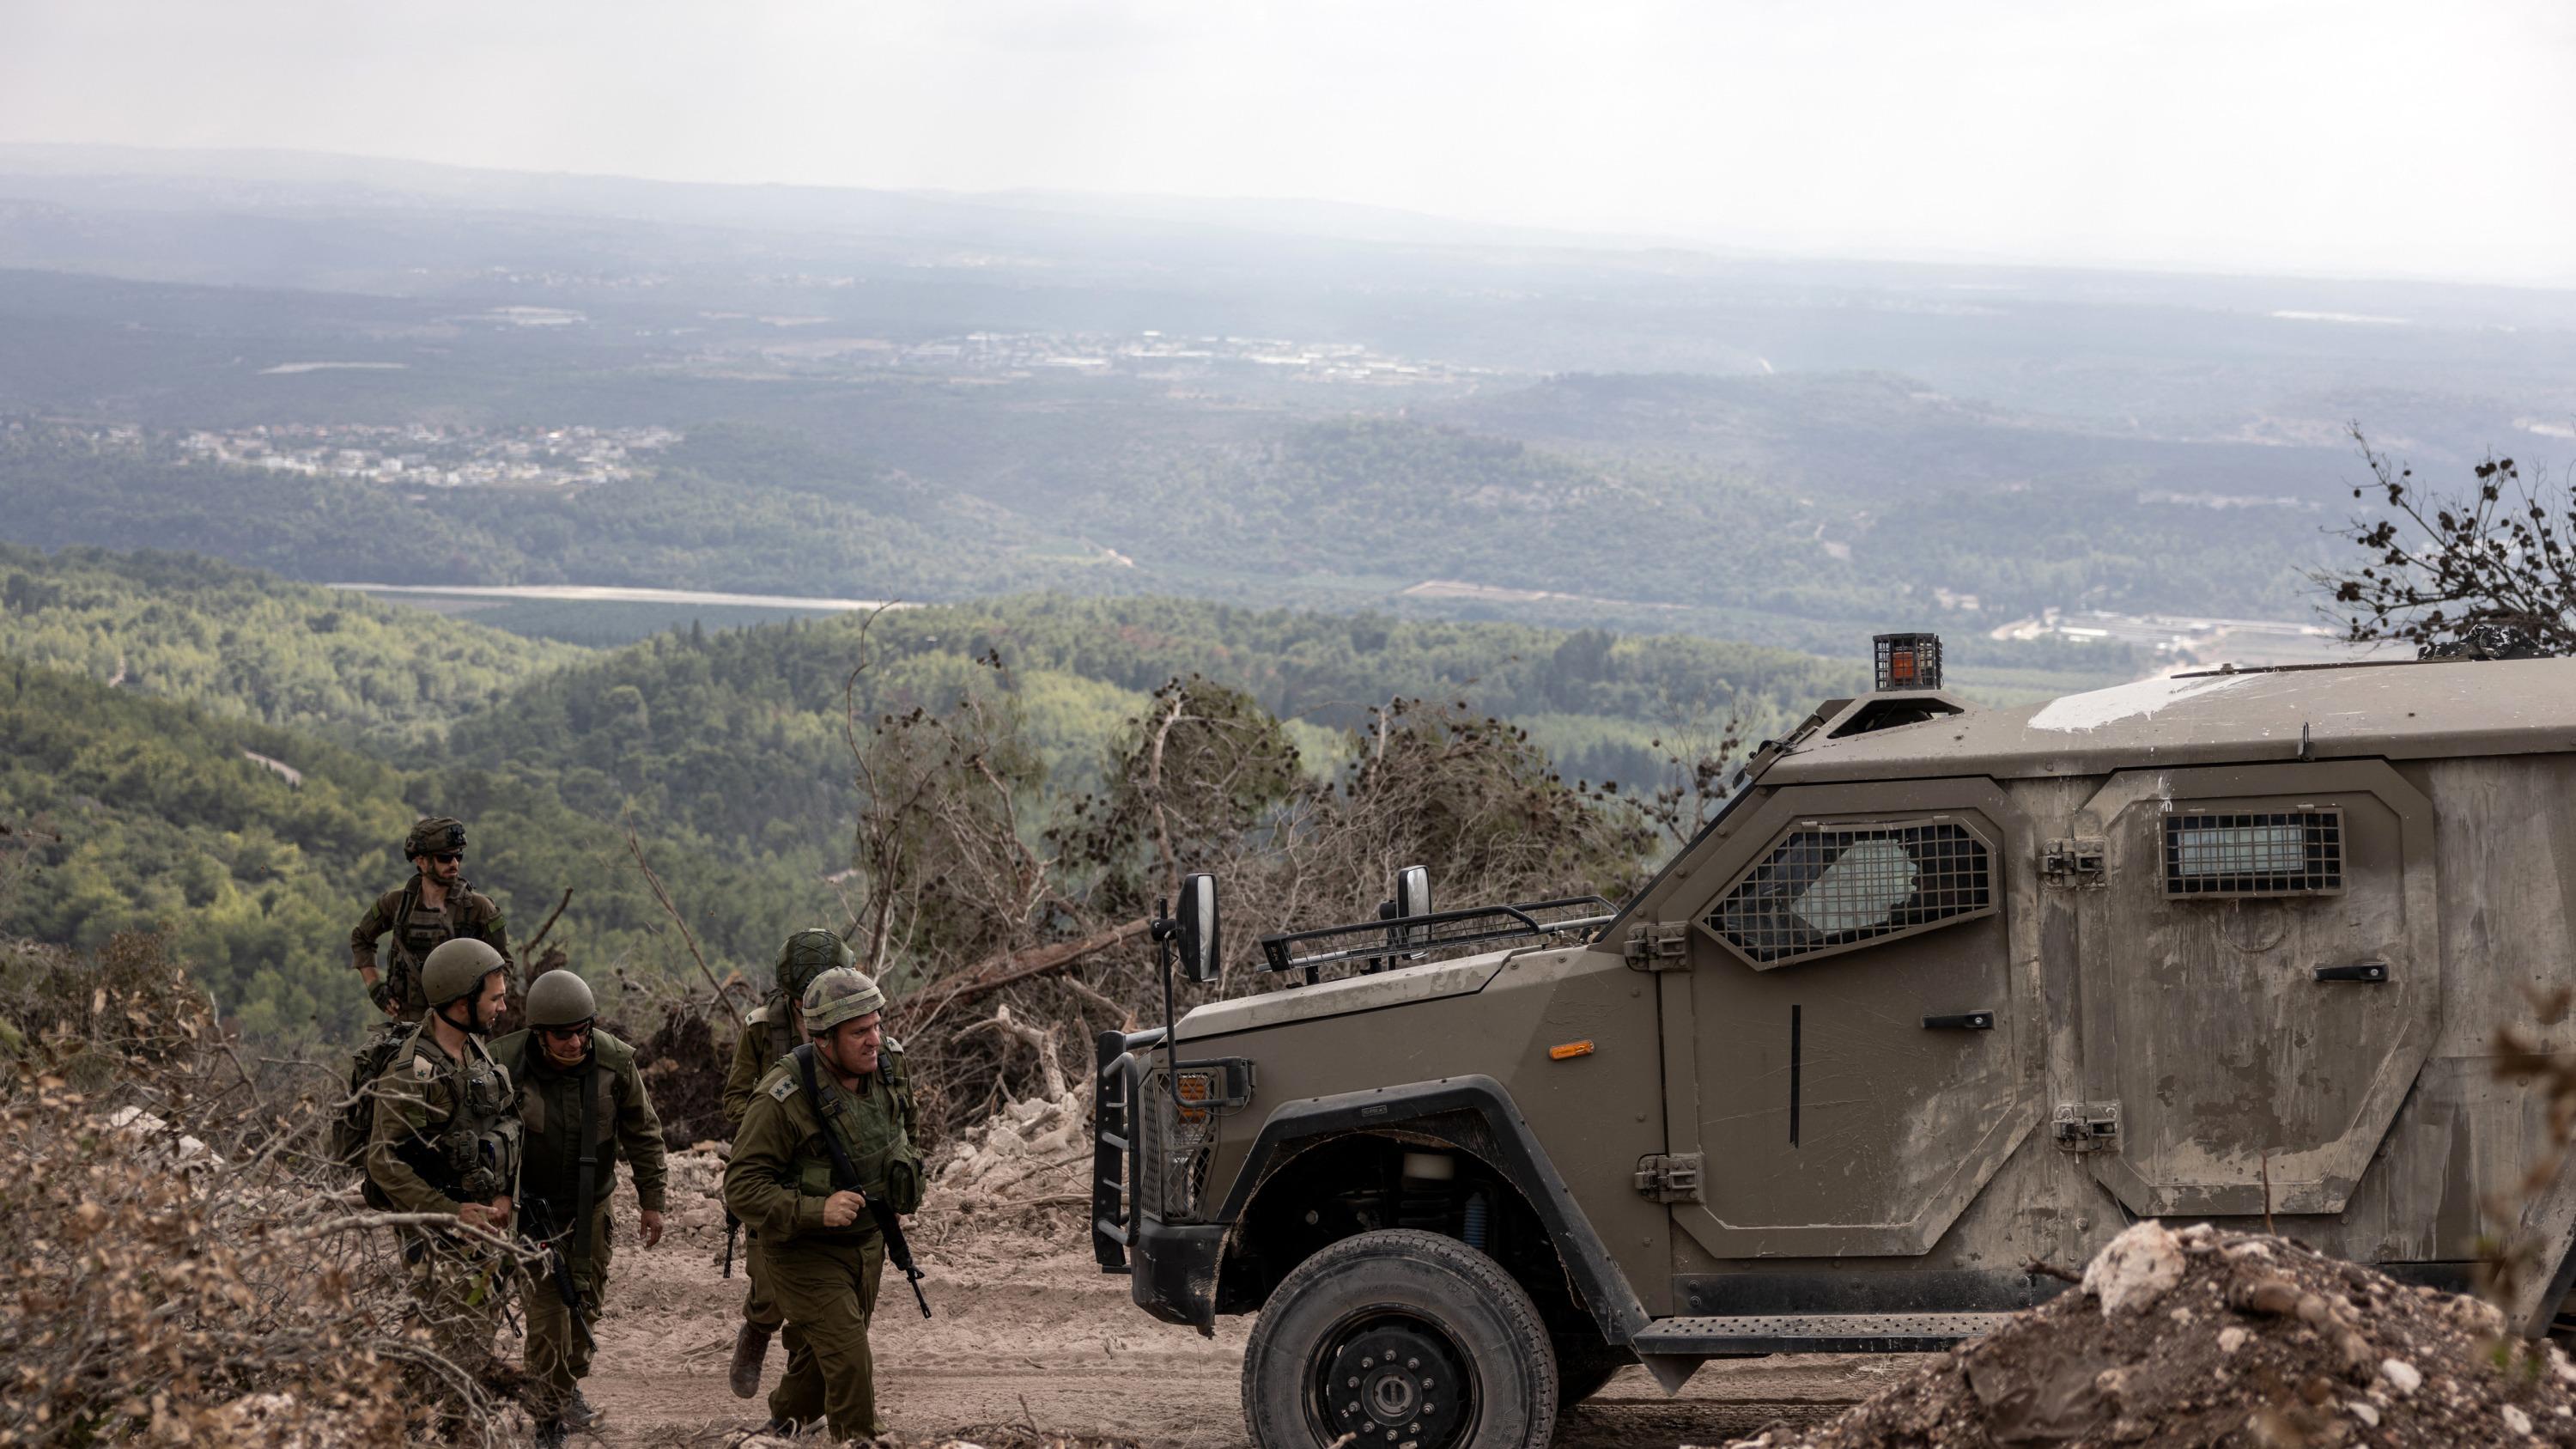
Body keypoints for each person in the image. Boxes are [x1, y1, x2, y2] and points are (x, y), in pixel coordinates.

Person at [722, 966, 927, 1441]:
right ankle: (860, 1439)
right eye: (859, 1032)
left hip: (869, 1242)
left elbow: (908, 1130)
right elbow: (743, 1186)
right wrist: (819, 1209)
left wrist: (899, 1186)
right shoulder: (783, 1095)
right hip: (802, 1250)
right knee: (851, 1357)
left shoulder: (890, 1066)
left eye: (877, 1025)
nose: (874, 1039)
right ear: (823, 1040)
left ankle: (780, 1427)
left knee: (821, 1358)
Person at [490, 969, 669, 1447]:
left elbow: (645, 1134)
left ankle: (566, 1388)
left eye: (583, 1029)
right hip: (531, 1211)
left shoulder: (614, 1064)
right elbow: (479, 1139)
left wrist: (653, 1203)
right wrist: (496, 1195)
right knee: (548, 1317)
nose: (576, 1041)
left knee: (584, 1308)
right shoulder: (504, 1064)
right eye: (563, 1034)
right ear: (540, 1034)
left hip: (592, 1206)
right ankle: (548, 1420)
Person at [362, 938, 522, 1420]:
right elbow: (382, 1161)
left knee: (470, 1335)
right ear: (460, 1002)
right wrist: (452, 1214)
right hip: (437, 1236)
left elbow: (507, 1123)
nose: (503, 1005)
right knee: (446, 1345)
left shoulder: (476, 1051)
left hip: (483, 1228)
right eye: (494, 998)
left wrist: (502, 1195)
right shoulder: (413, 1073)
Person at [720, 928, 855, 1398]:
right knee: (769, 1277)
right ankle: (757, 1330)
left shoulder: (856, 1020)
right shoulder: (762, 1028)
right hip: (776, 1175)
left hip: (834, 1173)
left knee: (822, 1286)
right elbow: (736, 1099)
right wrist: (775, 1125)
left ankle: (801, 1381)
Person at [350, 817, 513, 1021]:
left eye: (458, 856)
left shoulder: (479, 908)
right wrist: (375, 987)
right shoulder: (396, 904)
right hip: (407, 1021)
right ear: (421, 861)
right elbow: (361, 938)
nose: (454, 864)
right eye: (445, 858)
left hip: (460, 1023)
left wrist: (484, 1001)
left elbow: (504, 963)